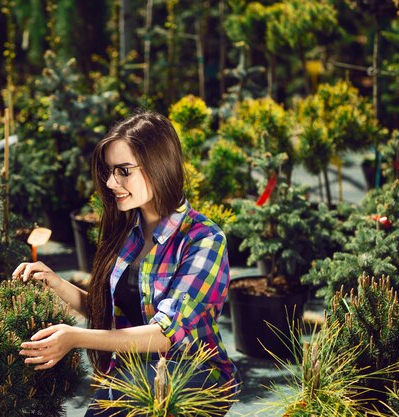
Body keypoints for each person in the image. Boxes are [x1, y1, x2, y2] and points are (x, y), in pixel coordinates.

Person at [13, 110, 240, 416]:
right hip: (133, 372)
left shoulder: (204, 239)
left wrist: (74, 337)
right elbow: (106, 311)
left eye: (123, 171)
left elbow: (165, 334)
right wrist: (55, 282)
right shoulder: (126, 231)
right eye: (108, 171)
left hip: (195, 375)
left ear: (159, 165)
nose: (110, 182)